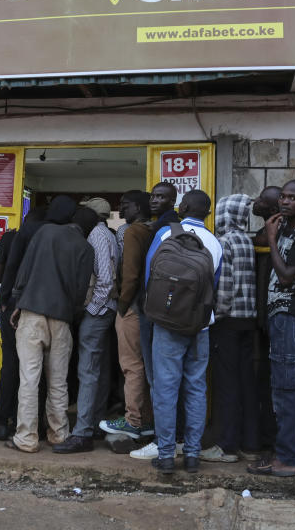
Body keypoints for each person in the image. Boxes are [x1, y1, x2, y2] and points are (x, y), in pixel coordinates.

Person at [0, 196, 75, 441]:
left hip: (16, 306)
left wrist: (8, 300)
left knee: (16, 367)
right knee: (49, 373)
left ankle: (5, 424)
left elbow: (0, 274)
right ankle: (48, 429)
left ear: (27, 219)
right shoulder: (65, 240)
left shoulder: (16, 235)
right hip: (53, 309)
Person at [144, 189, 222, 474]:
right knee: (196, 387)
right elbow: (214, 286)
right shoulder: (214, 242)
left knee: (165, 388)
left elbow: (149, 279)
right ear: (207, 213)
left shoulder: (165, 234)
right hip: (200, 325)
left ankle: (166, 455)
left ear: (183, 206)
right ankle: (191, 455)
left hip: (167, 324)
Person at [7, 206, 96, 453]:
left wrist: (18, 301)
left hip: (32, 313)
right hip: (62, 320)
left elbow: (25, 270)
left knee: (29, 379)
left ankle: (26, 439)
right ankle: (58, 434)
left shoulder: (45, 232)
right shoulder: (86, 249)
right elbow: (81, 294)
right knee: (58, 382)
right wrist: (69, 314)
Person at [250, 180, 295, 478]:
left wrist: (273, 239)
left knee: (286, 391)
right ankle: (283, 452)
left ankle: (287, 460)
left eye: (294, 198)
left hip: (290, 317)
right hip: (280, 318)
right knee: (285, 389)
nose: (285, 202)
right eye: (284, 197)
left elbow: (287, 277)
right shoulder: (287, 229)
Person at [55, 199, 118, 453]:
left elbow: (105, 279)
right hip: (104, 311)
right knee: (98, 370)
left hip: (99, 311)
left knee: (88, 372)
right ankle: (94, 424)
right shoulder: (104, 234)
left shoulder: (98, 235)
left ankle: (82, 434)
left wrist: (89, 310)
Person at [128, 181, 184, 461]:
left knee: (158, 376)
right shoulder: (161, 224)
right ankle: (171, 438)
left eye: (162, 197)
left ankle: (165, 440)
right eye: (153, 195)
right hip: (164, 309)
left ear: (173, 201)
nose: (155, 200)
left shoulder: (166, 226)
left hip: (156, 311)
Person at [200, 194, 257, 464]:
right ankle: (249, 443)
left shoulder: (224, 242)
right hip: (249, 320)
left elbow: (224, 289)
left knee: (226, 385)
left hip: (229, 322)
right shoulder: (246, 240)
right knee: (246, 383)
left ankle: (226, 445)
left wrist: (215, 316)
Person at [0, 206, 45, 441]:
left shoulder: (11, 237)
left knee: (10, 364)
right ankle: (34, 425)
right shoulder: (47, 241)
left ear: (25, 220)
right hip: (39, 309)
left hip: (10, 306)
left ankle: (1, 422)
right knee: (38, 369)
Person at [100, 191, 154, 442]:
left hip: (131, 307)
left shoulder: (132, 231)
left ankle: (132, 420)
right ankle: (145, 420)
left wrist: (122, 305)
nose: (121, 208)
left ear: (139, 207)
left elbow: (130, 274)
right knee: (142, 364)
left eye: (126, 204)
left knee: (131, 365)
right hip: (147, 307)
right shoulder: (152, 229)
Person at [250, 186, 281, 453]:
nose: (255, 202)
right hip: (262, 319)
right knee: (262, 379)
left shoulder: (278, 234)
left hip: (277, 319)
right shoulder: (263, 234)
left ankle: (275, 438)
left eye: (262, 200)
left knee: (276, 381)